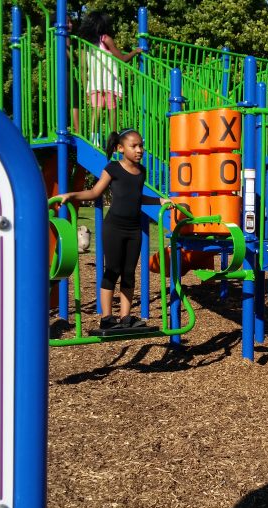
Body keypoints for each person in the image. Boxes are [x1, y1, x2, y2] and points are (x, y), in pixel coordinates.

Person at [60, 129, 157, 330]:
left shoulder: (142, 171)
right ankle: (106, 318)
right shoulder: (113, 168)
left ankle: (126, 317)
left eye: (141, 145)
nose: (139, 150)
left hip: (133, 228)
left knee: (129, 272)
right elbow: (95, 192)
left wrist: (160, 200)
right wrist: (72, 195)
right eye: (134, 146)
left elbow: (137, 198)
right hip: (114, 227)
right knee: (112, 270)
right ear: (121, 148)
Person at [78, 11, 143, 146]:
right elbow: (122, 58)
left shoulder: (87, 43)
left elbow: (83, 67)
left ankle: (93, 138)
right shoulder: (106, 39)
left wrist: (86, 87)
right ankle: (113, 140)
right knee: (112, 110)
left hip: (94, 82)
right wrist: (135, 51)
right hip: (108, 81)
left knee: (96, 109)